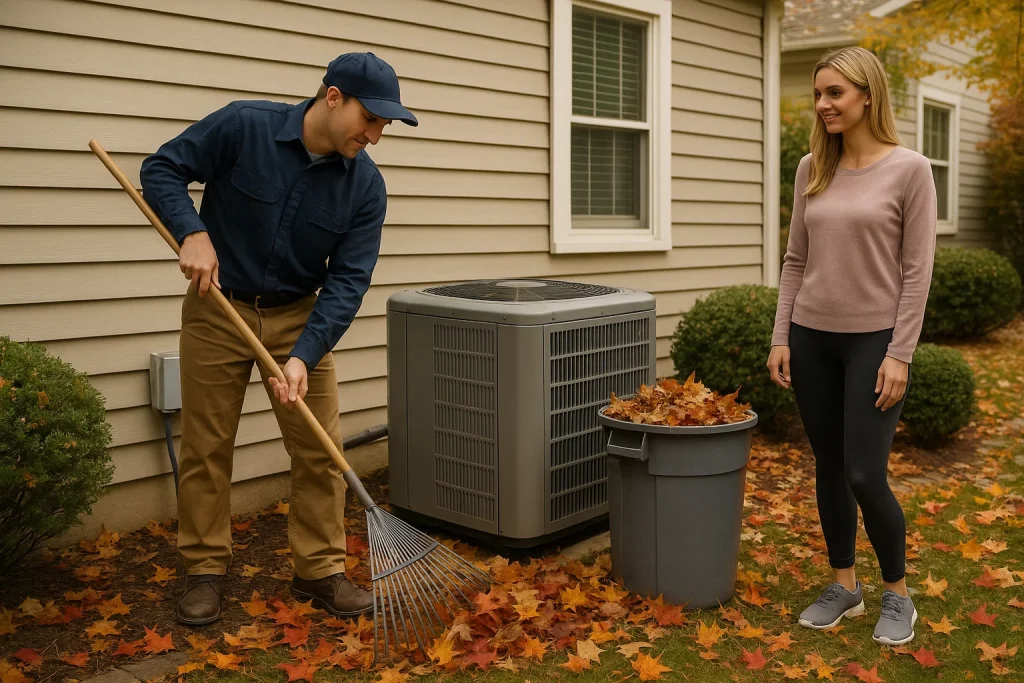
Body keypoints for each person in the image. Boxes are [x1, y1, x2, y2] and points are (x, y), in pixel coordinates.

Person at [139, 52, 418, 627]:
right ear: (333, 97)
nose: (376, 135)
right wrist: (191, 232)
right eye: (371, 119)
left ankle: (319, 572)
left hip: (299, 316)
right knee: (206, 448)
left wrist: (304, 357)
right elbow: (161, 169)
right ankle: (205, 572)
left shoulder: (365, 186)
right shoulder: (245, 126)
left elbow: (348, 280)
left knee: (320, 450)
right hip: (219, 308)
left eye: (385, 125)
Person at [766, 46, 937, 647]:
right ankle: (845, 585)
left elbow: (917, 272)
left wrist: (900, 353)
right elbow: (795, 259)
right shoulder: (812, 167)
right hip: (812, 338)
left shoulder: (911, 169)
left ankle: (898, 594)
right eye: (818, 93)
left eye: (834, 93)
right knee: (830, 468)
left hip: (874, 340)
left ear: (868, 95)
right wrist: (782, 334)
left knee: (865, 472)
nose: (823, 104)